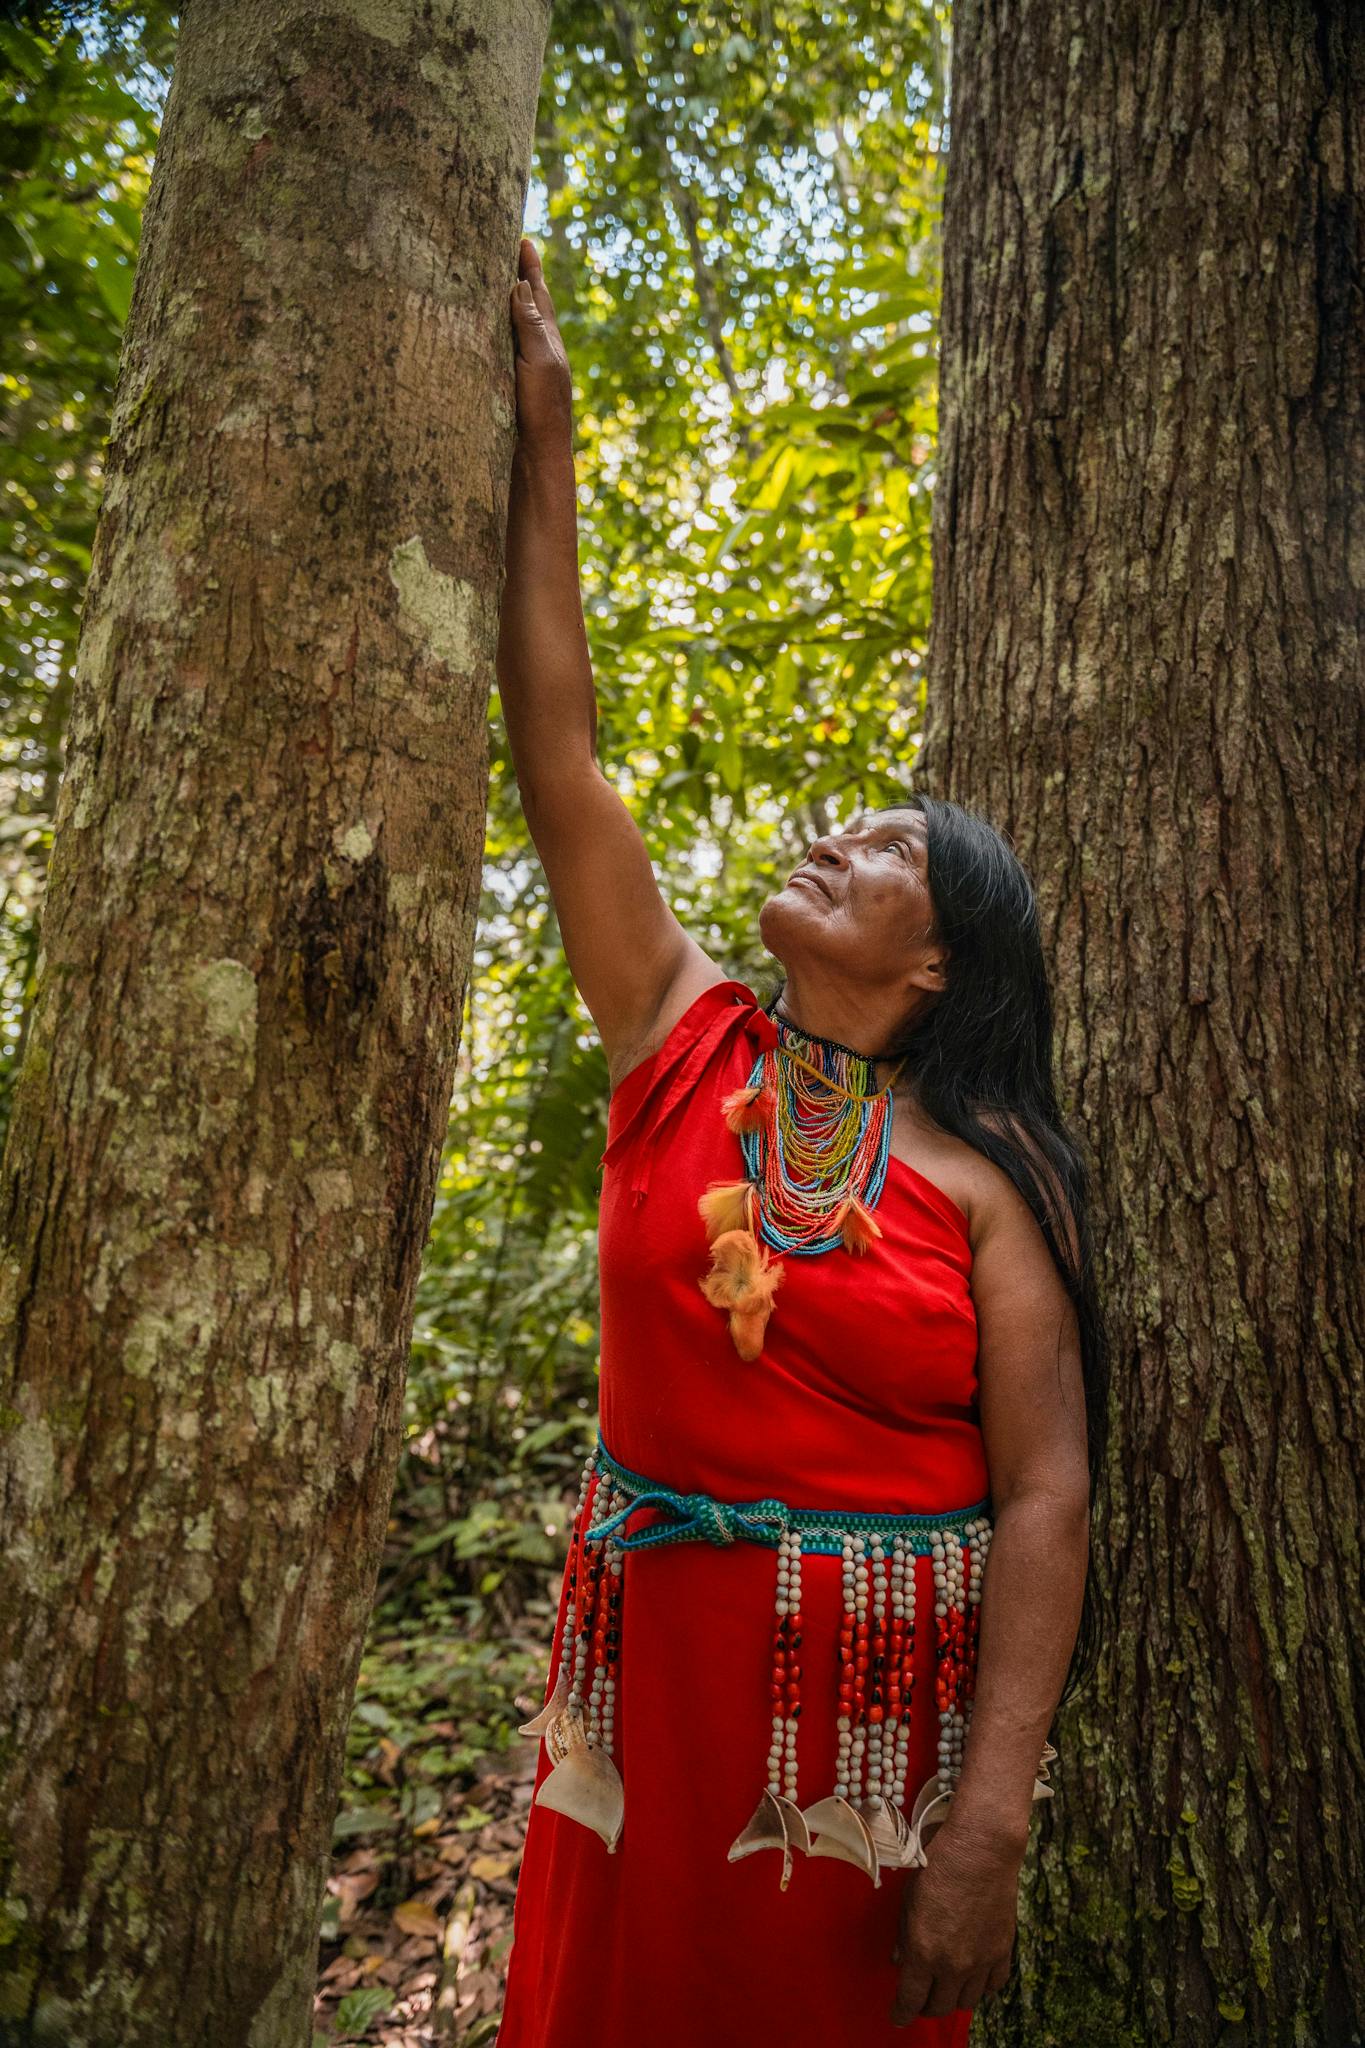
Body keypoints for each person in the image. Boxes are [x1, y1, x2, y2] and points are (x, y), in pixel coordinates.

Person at [492, 235, 1102, 2047]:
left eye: (887, 849)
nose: (833, 838)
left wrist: (987, 1821)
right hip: (639, 1704)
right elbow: (560, 759)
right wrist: (547, 445)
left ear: (934, 966)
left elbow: (1046, 1491)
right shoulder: (678, 1047)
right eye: (839, 823)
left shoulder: (986, 1190)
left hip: (860, 1764)